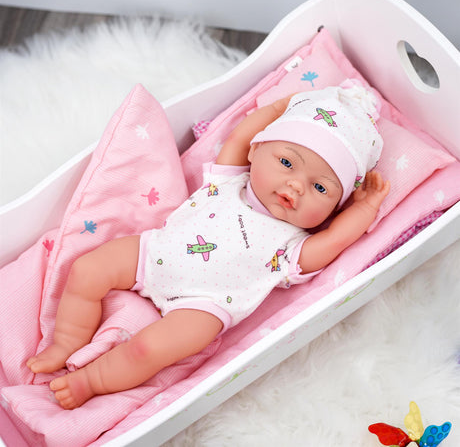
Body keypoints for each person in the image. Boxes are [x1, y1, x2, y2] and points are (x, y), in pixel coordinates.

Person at [27, 83, 390, 409]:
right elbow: (238, 138)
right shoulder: (230, 181)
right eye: (285, 162)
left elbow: (338, 238)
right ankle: (65, 343)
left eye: (321, 188)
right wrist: (278, 109)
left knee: (146, 349)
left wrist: (367, 206)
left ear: (333, 209)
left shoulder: (292, 248)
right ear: (257, 150)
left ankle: (91, 380)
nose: (295, 186)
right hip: (154, 255)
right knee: (87, 270)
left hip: (205, 305)